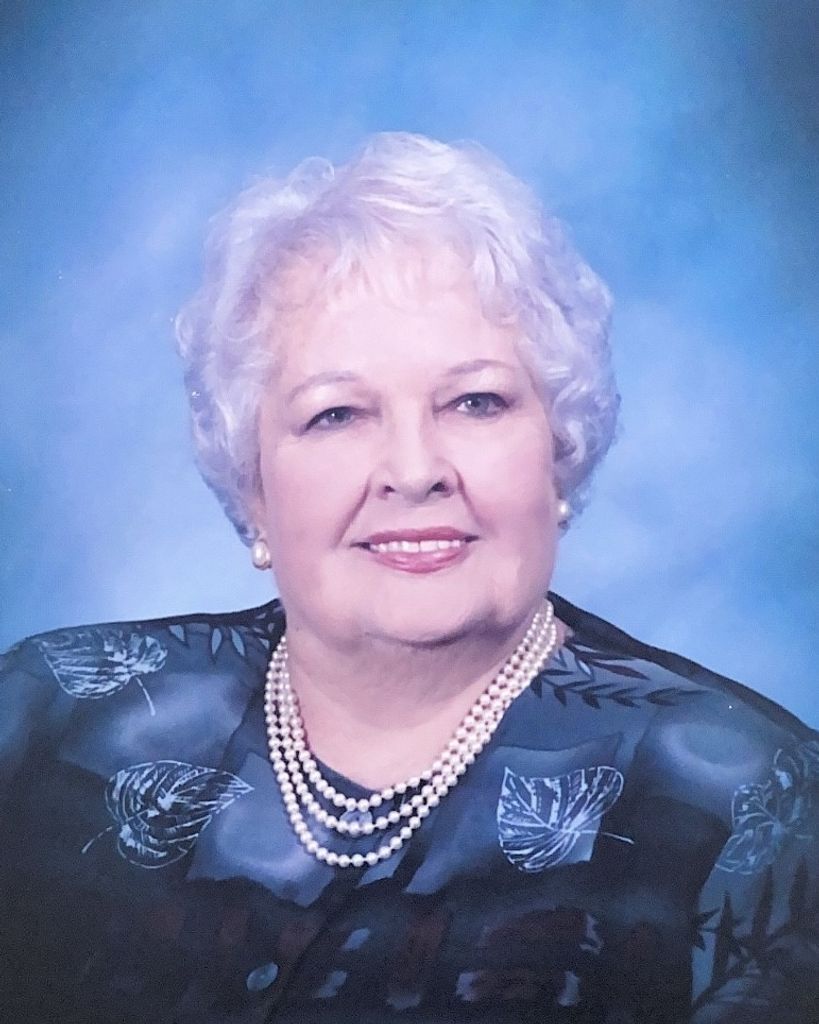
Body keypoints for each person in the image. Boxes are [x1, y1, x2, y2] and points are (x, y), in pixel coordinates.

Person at [0, 132, 816, 1024]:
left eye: (475, 402)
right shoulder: (48, 721)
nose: (415, 470)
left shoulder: (747, 804)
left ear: (558, 451)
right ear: (253, 486)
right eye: (337, 414)